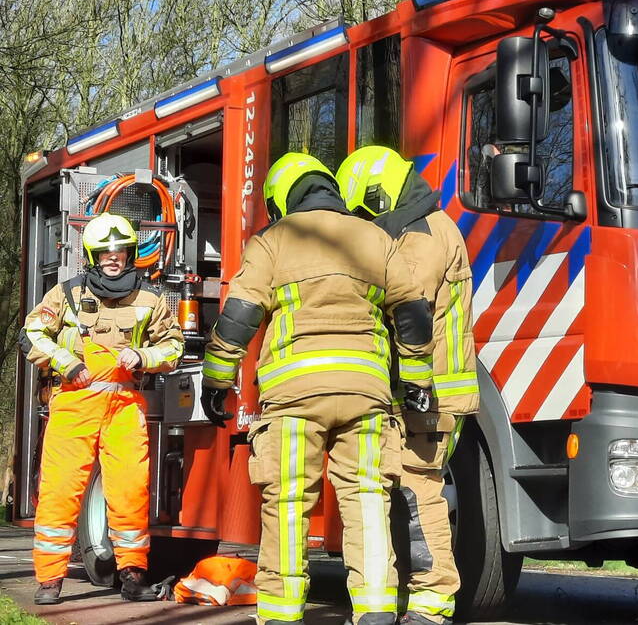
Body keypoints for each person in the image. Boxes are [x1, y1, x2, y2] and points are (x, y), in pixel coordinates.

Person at [199, 152, 435, 625]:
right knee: (367, 497)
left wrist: (217, 378)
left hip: (293, 396)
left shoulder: (274, 240)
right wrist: (416, 380)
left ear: (283, 197)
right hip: (364, 393)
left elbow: (240, 316)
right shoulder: (376, 237)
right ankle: (375, 610)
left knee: (287, 504)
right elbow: (412, 312)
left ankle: (284, 614)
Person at [337, 146, 479, 625]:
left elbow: (408, 311)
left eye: (363, 209)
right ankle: (415, 601)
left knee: (418, 494)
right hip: (431, 391)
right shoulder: (430, 225)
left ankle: (431, 604)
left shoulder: (420, 234)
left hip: (426, 393)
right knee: (406, 492)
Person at [21, 212, 183, 604]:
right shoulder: (67, 294)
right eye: (106, 251)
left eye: (121, 251)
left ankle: (132, 576)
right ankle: (49, 581)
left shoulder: (151, 297)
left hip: (125, 405)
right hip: (74, 401)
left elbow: (174, 346)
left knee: (131, 491)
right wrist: (68, 363)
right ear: (93, 255)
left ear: (130, 254)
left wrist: (142, 356)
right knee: (60, 490)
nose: (114, 257)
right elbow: (31, 334)